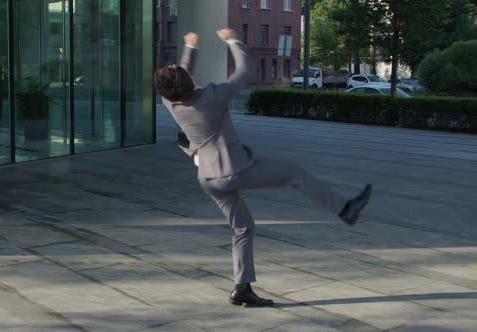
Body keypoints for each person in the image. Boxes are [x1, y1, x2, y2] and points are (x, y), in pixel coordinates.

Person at [154, 28, 372, 306]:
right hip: (234, 170)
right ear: (189, 80)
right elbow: (243, 72)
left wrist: (190, 49)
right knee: (294, 173)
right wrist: (233, 40)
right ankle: (345, 209)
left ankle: (242, 288)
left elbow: (179, 76)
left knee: (243, 227)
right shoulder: (212, 95)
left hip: (207, 177)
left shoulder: (169, 102)